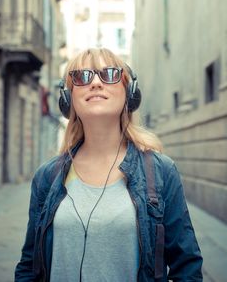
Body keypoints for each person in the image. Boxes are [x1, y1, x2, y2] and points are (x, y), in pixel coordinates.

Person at [15, 48, 203, 281]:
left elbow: (187, 267)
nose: (95, 82)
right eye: (82, 76)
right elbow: (29, 265)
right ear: (68, 98)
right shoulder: (47, 176)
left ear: (129, 92)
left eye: (110, 74)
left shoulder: (160, 171)